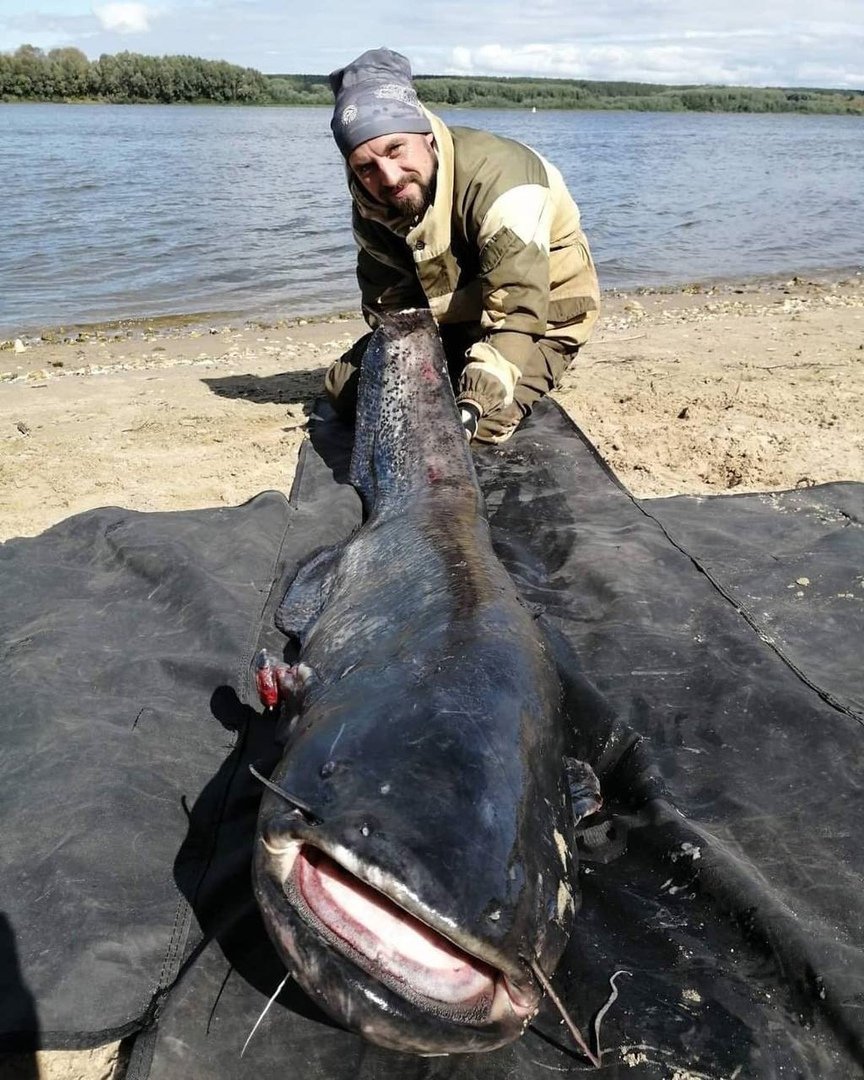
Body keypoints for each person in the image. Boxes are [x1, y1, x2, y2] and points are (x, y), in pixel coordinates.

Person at [324, 48, 600, 444]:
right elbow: (390, 306)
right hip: (455, 316)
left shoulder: (504, 184)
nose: (389, 178)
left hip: (541, 318)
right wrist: (409, 367)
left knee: (480, 421)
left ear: (426, 137)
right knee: (346, 391)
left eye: (395, 150)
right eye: (366, 167)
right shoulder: (371, 203)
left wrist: (472, 404)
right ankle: (454, 370)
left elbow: (517, 314)